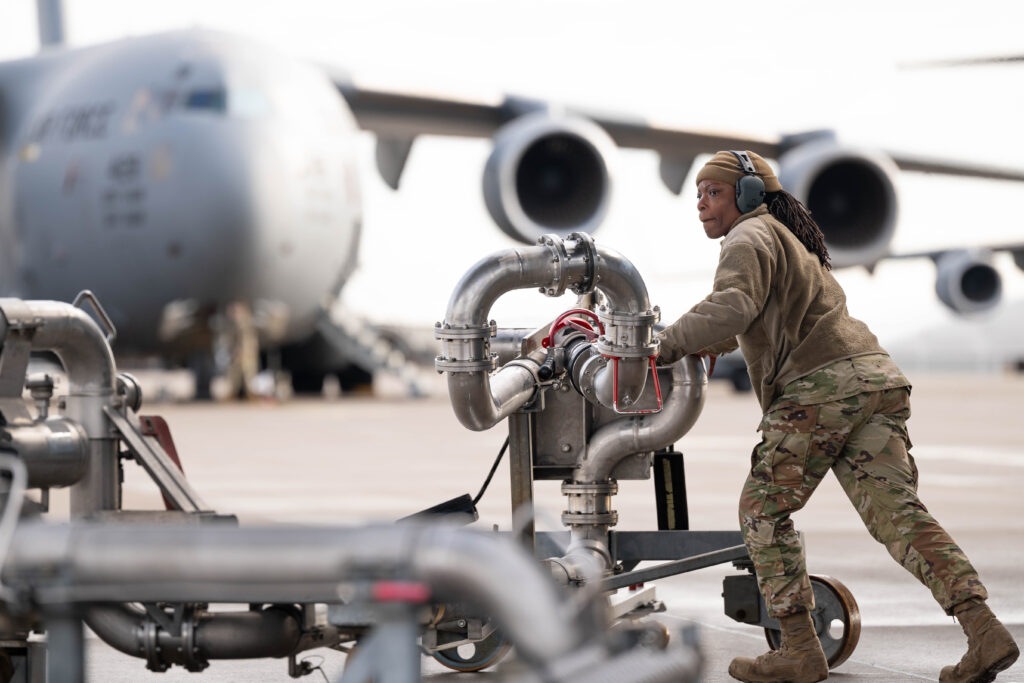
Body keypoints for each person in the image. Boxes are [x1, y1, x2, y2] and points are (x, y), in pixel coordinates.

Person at [655, 150, 1019, 683]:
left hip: (818, 389)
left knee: (762, 511)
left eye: (713, 192)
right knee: (899, 517)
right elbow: (764, 315)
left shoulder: (747, 237)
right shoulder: (787, 239)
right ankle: (984, 630)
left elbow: (734, 304)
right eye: (698, 195)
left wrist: (662, 345)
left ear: (749, 195)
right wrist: (718, 342)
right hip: (872, 380)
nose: (702, 205)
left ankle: (799, 648)